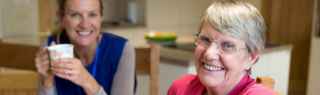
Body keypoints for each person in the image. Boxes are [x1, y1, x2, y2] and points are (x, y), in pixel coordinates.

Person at [167, 0, 276, 95]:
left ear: (251, 58)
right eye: (205, 40)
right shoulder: (181, 88)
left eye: (228, 45)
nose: (209, 54)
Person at [35, 0, 135, 95]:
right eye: (75, 15)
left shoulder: (122, 50)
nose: (84, 25)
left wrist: (87, 81)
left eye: (92, 14)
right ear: (62, 19)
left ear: (101, 17)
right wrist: (47, 81)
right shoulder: (51, 46)